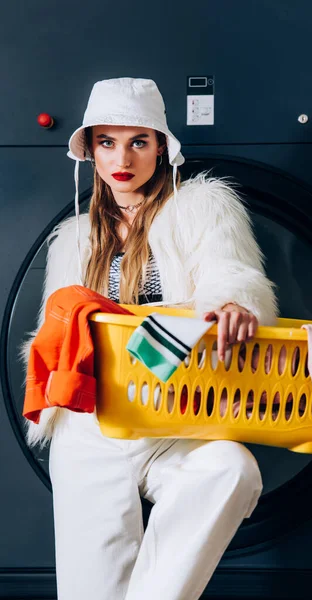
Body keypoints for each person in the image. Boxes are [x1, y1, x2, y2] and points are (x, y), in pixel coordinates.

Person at [22, 77, 279, 600]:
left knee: (232, 468)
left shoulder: (202, 206)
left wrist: (232, 302)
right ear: (91, 151)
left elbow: (231, 274)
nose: (123, 157)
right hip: (96, 421)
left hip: (177, 413)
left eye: (139, 141)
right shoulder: (74, 238)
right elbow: (59, 336)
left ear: (161, 146)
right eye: (107, 142)